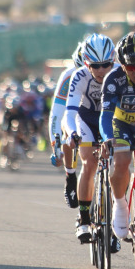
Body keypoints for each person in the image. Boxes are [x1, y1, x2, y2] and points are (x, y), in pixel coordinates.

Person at [99, 32, 135, 241]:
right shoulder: (113, 80)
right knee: (122, 160)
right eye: (131, 68)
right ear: (122, 66)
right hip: (121, 123)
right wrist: (107, 138)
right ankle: (121, 205)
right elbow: (105, 116)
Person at [64, 33, 115, 243]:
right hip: (86, 118)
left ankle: (115, 223)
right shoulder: (79, 76)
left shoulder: (119, 74)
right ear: (87, 63)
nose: (102, 70)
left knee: (118, 167)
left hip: (111, 119)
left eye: (106, 64)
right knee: (89, 162)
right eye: (96, 66)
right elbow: (69, 112)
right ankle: (84, 219)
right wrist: (72, 132)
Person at [48, 41, 85, 209]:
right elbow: (56, 113)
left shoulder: (108, 71)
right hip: (75, 114)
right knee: (67, 128)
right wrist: (56, 146)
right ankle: (70, 176)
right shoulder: (68, 76)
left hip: (99, 112)